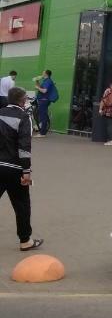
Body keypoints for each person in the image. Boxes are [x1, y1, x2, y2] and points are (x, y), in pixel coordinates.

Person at [0, 87, 42, 251]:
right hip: (14, 169)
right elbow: (24, 146)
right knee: (22, 204)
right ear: (22, 100)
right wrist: (26, 171)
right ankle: (25, 241)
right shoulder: (24, 117)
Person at [32, 69, 58, 137]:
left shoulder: (48, 81)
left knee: (43, 116)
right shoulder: (46, 81)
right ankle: (41, 130)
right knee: (42, 115)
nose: (42, 74)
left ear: (46, 74)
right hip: (42, 100)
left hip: (44, 100)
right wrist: (37, 81)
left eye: (43, 73)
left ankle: (42, 133)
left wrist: (37, 88)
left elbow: (44, 91)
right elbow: (40, 88)